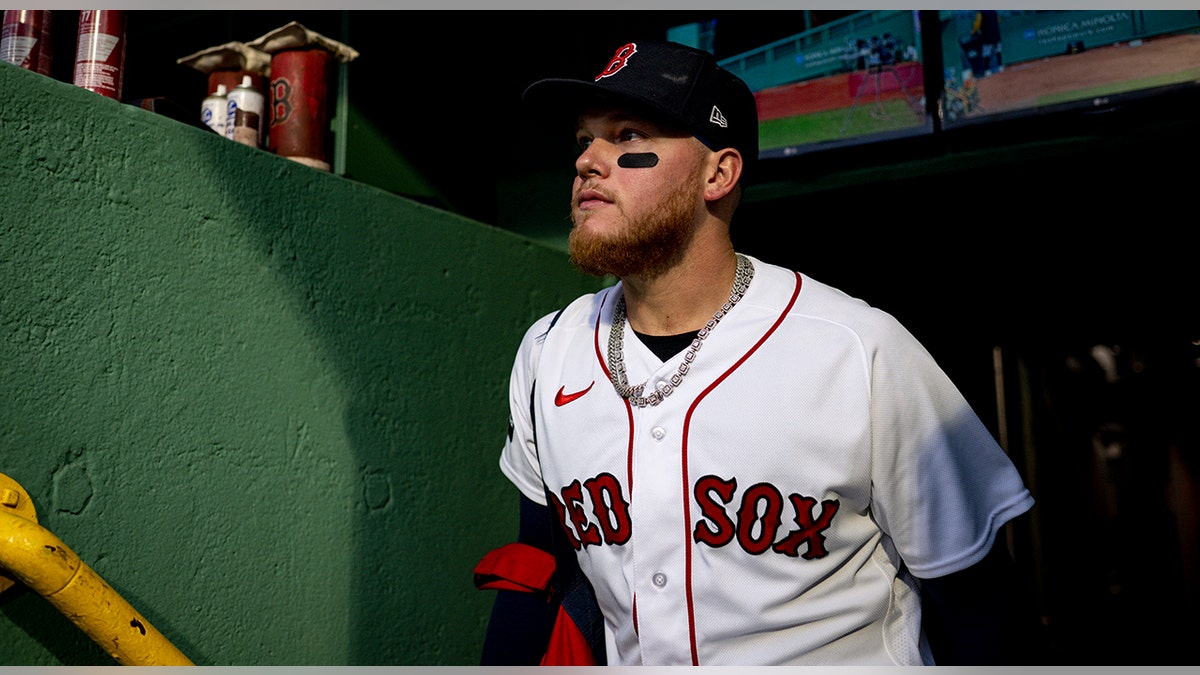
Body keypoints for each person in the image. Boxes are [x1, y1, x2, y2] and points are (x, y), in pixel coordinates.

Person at [476, 39, 1040, 666]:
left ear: (718, 174)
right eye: (584, 140)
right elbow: (536, 568)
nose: (588, 161)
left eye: (628, 135)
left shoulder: (858, 349)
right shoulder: (549, 350)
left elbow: (978, 601)